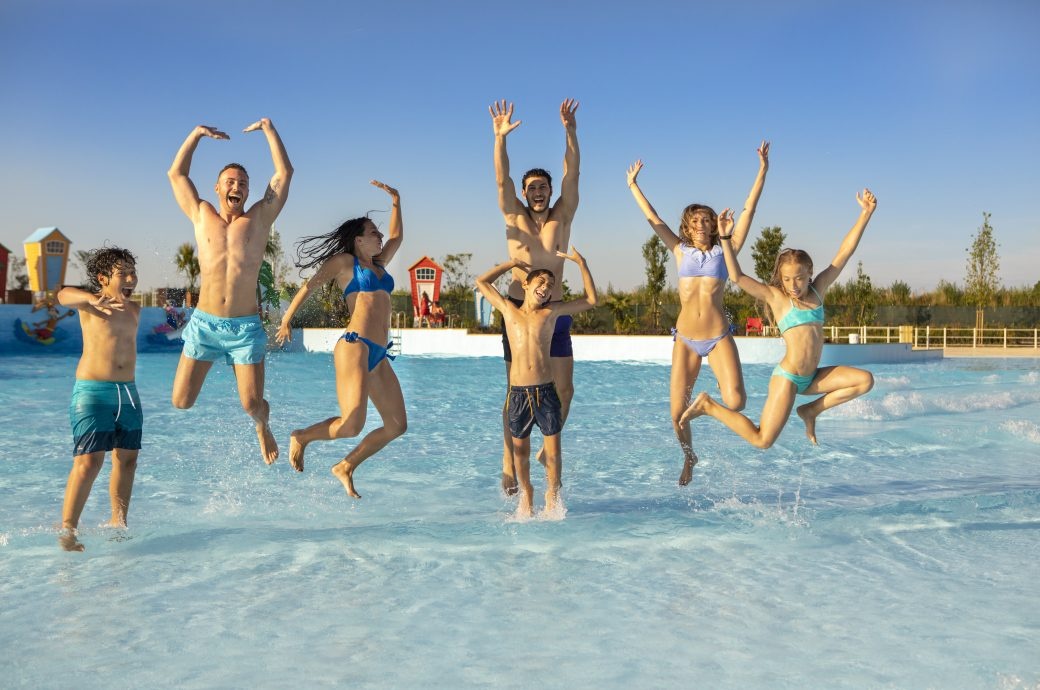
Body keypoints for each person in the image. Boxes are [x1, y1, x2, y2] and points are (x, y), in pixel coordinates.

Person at [680, 190, 878, 447]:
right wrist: (726, 237)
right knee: (762, 440)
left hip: (813, 377)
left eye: (798, 278)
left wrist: (866, 213)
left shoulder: (818, 290)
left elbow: (845, 253)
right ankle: (708, 406)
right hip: (788, 378)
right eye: (786, 279)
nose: (793, 285)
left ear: (809, 274)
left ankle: (811, 410)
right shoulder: (777, 298)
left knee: (865, 380)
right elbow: (738, 277)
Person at [626, 142, 770, 485]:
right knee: (676, 413)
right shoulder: (679, 250)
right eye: (696, 221)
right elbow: (654, 219)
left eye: (707, 219)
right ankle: (690, 457)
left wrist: (762, 170)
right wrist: (633, 186)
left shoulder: (727, 249)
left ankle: (709, 404)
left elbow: (749, 211)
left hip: (718, 335)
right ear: (687, 227)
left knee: (736, 401)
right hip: (686, 339)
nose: (703, 224)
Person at [167, 119, 293, 465]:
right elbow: (176, 175)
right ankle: (257, 417)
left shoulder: (259, 219)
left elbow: (284, 172)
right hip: (205, 325)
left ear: (248, 192)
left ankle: (262, 425)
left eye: (243, 183)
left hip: (244, 328)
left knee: (252, 404)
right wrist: (195, 135)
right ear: (218, 187)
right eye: (230, 182)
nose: (236, 186)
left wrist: (269, 130)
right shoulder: (201, 214)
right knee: (181, 401)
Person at [275, 181, 406, 499]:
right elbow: (309, 287)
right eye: (374, 232)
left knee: (396, 424)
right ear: (359, 239)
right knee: (351, 424)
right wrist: (286, 319)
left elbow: (398, 236)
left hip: (378, 353)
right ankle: (302, 436)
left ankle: (346, 466)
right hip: (355, 345)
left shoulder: (379, 265)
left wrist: (396, 201)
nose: (381, 236)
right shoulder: (345, 264)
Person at [488, 98, 580, 495]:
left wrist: (570, 131)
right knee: (516, 388)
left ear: (550, 190)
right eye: (532, 188)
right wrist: (500, 140)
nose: (538, 192)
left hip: (555, 314)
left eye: (543, 187)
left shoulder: (563, 215)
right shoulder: (514, 216)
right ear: (524, 193)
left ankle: (547, 448)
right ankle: (509, 461)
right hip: (517, 312)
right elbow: (500, 180)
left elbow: (573, 172)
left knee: (565, 389)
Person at [474, 247, 597, 517]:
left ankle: (552, 493)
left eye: (551, 285)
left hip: (545, 392)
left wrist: (581, 263)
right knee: (521, 454)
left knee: (553, 454)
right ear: (526, 284)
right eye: (541, 282)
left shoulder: (551, 313)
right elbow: (481, 282)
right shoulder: (508, 310)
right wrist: (510, 263)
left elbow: (590, 299)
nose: (546, 287)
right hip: (518, 394)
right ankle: (527, 491)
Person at [55, 247, 142, 551]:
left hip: (128, 393)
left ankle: (118, 519)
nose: (131, 278)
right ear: (104, 279)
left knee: (127, 459)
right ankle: (68, 529)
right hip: (93, 392)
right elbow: (62, 295)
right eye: (123, 273)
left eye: (133, 272)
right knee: (89, 462)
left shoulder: (135, 310)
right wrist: (90, 298)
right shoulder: (90, 306)